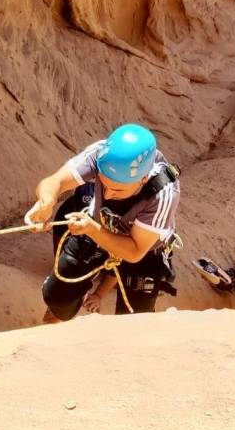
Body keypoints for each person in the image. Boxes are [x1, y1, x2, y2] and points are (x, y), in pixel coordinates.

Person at [25, 123, 180, 323]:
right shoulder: (101, 154)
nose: (107, 194)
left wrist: (92, 229)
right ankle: (63, 311)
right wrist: (46, 202)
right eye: (103, 184)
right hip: (99, 225)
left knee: (135, 321)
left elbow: (134, 251)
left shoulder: (164, 192)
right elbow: (56, 181)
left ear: (143, 179)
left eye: (118, 190)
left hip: (144, 252)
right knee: (57, 298)